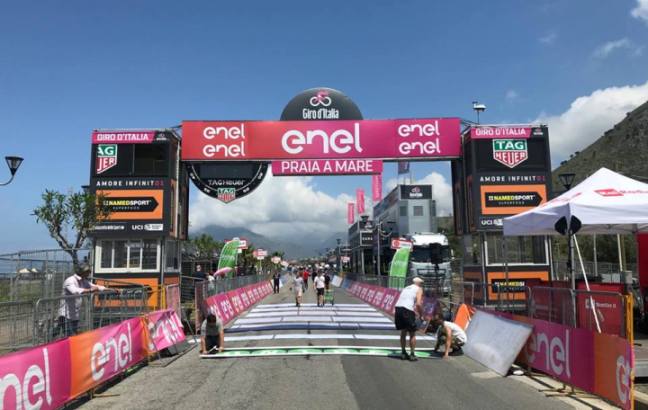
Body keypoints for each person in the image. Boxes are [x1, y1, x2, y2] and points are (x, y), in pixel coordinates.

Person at [55, 264, 115, 337]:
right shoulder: (70, 280)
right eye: (87, 272)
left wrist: (111, 289)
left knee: (73, 336)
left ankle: (55, 332)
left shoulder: (83, 281)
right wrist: (90, 290)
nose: (89, 273)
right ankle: (53, 334)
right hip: (65, 314)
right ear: (81, 272)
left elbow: (95, 287)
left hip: (75, 314)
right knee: (70, 337)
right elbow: (75, 291)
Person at [394, 277, 424, 361]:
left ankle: (403, 352)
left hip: (398, 308)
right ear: (419, 284)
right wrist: (421, 315)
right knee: (412, 333)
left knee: (403, 331)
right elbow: (418, 304)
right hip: (407, 310)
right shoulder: (419, 289)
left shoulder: (406, 287)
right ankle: (412, 354)